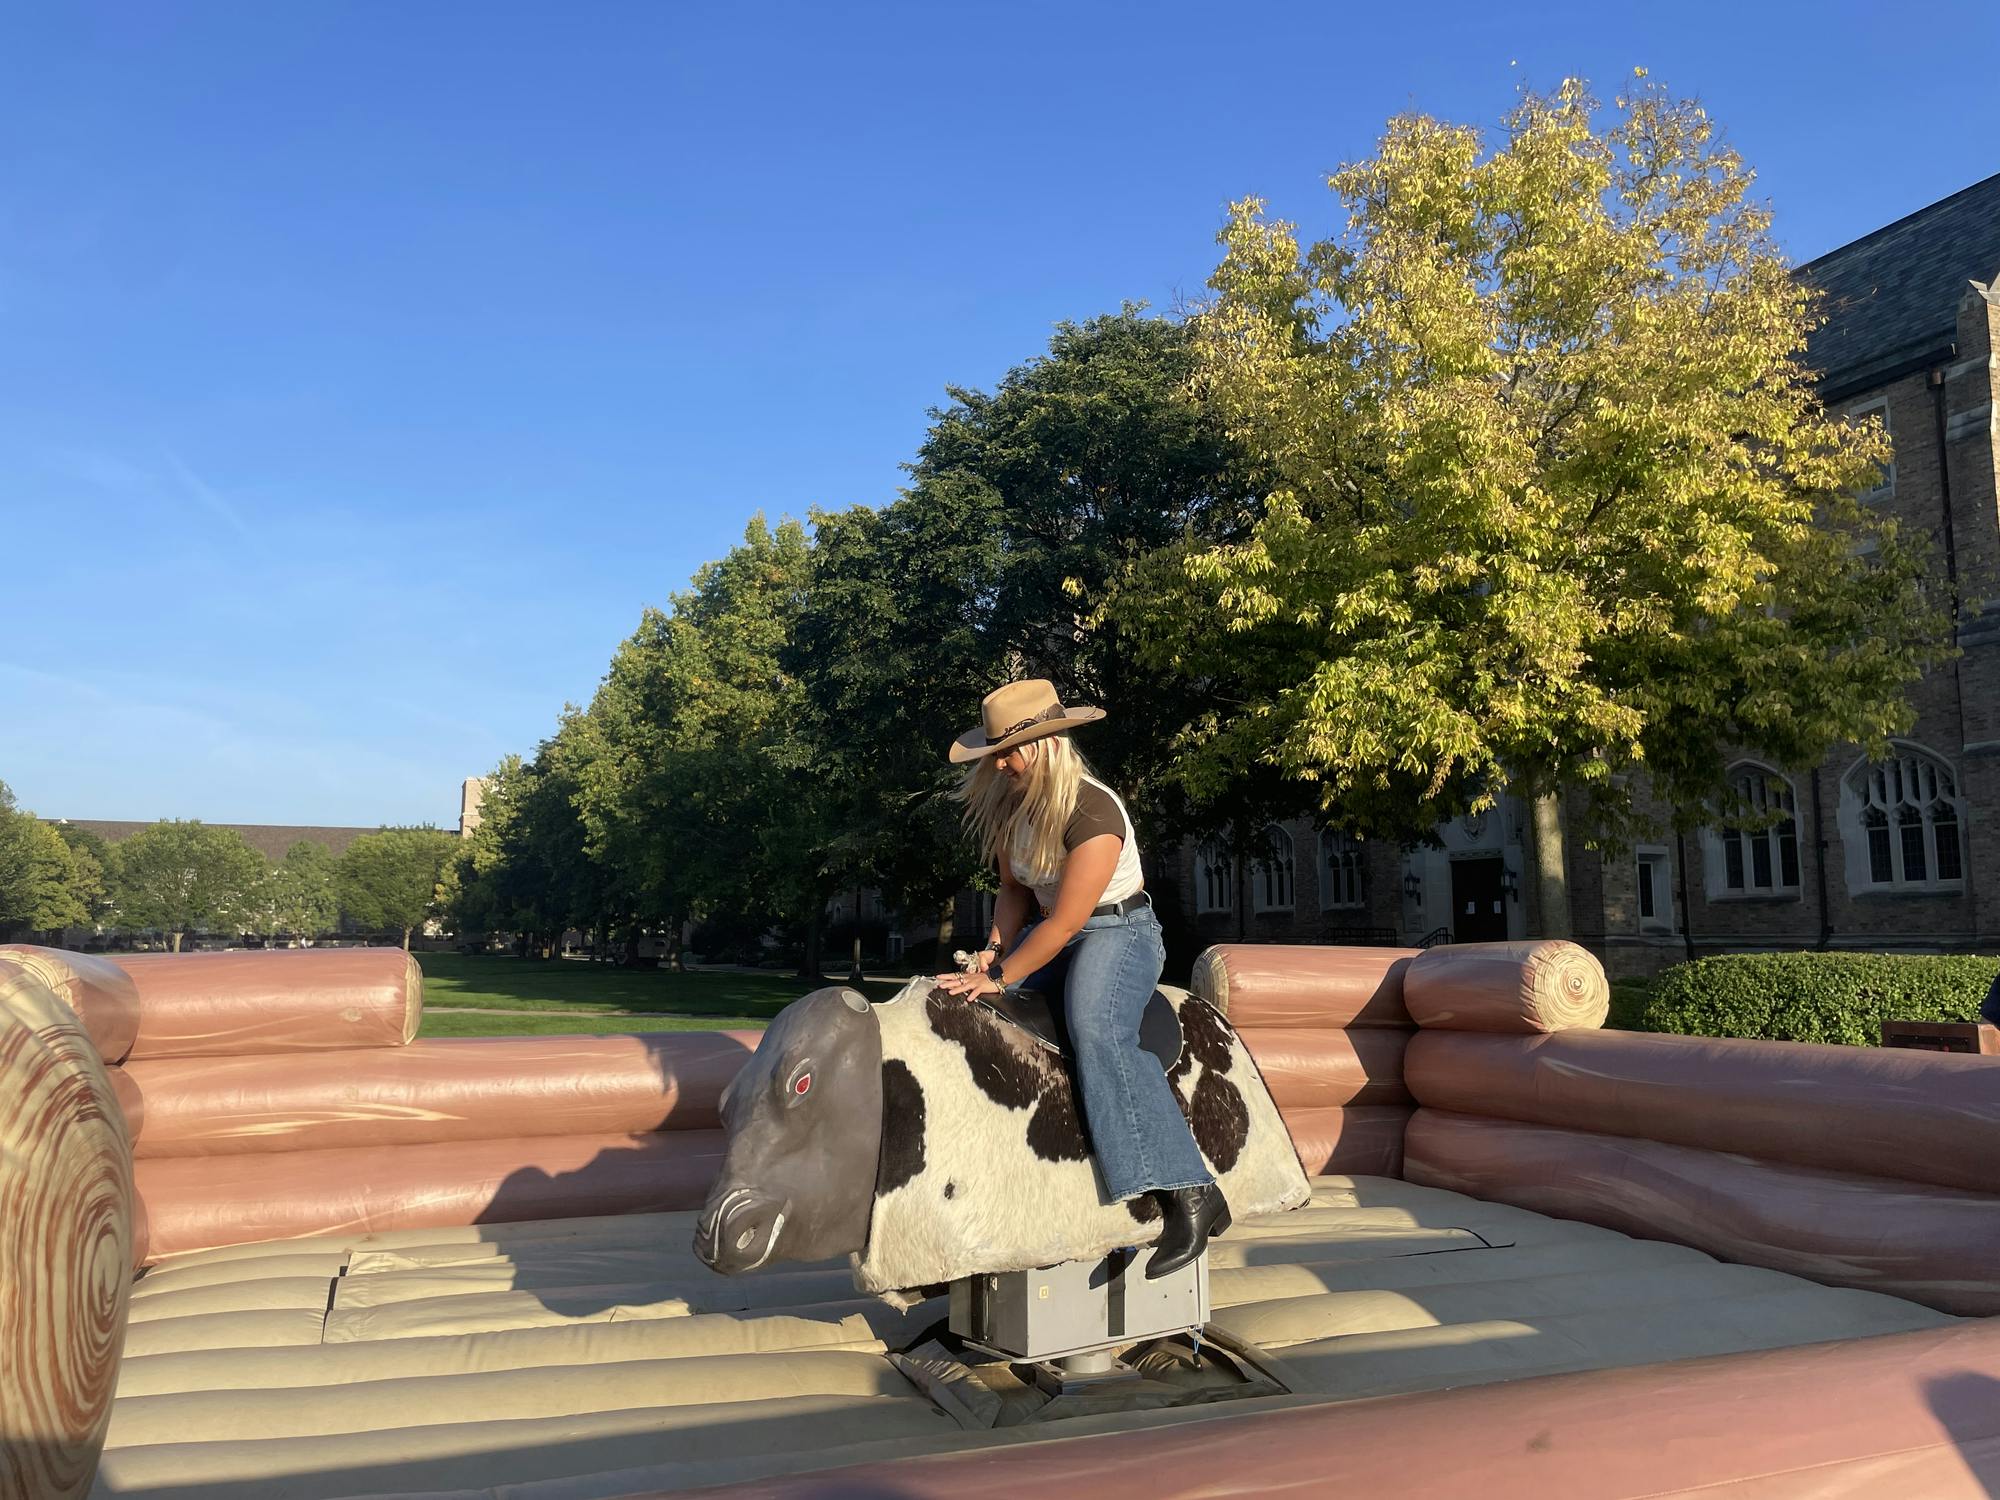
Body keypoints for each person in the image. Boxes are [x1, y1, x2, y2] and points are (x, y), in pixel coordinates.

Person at [933, 678, 1229, 1277]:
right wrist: (992, 953)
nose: (1002, 762)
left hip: (1118, 931)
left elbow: (1068, 921)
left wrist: (1007, 972)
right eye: (995, 753)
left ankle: (1189, 1190)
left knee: (1097, 1027)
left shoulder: (1093, 811)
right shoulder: (1010, 805)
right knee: (975, 1015)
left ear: (1044, 747)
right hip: (1052, 931)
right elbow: (1013, 892)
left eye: (1010, 751)